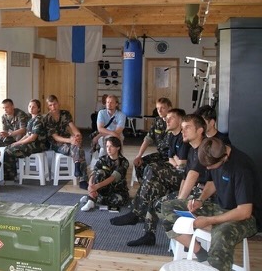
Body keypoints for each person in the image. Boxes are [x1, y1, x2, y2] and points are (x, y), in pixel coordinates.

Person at [161, 137, 262, 271]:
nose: (208, 168)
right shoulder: (212, 153)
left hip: (246, 217)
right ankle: (201, 253)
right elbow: (213, 182)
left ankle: (217, 267)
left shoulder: (241, 168)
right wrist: (200, 200)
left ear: (224, 158)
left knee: (221, 233)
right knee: (168, 207)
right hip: (220, 207)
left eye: (211, 166)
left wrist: (209, 220)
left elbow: (244, 211)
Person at [110, 109, 190, 247]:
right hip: (175, 171)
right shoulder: (171, 136)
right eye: (167, 117)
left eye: (171, 118)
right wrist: (176, 162)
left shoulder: (183, 138)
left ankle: (135, 213)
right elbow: (171, 159)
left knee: (152, 169)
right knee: (154, 187)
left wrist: (176, 162)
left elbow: (182, 166)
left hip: (185, 179)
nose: (166, 120)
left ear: (180, 120)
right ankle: (149, 234)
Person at [43, 95, 88, 189]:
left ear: (58, 103)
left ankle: (77, 168)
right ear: (48, 107)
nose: (53, 107)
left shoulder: (65, 113)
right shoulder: (47, 118)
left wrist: (78, 135)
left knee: (77, 146)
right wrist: (70, 140)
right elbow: (55, 137)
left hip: (67, 140)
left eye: (54, 104)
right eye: (50, 105)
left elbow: (72, 127)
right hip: (55, 143)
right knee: (78, 149)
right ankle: (82, 177)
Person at [3, 99, 48, 181]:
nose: (31, 108)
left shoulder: (39, 119)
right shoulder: (31, 120)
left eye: (34, 107)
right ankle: (11, 176)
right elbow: (27, 135)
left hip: (38, 144)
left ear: (38, 108)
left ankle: (10, 177)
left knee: (8, 151)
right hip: (31, 143)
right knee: (8, 148)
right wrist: (17, 143)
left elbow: (32, 137)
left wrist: (18, 144)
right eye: (30, 106)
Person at [80, 136, 130, 211]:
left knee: (120, 200)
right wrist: (90, 185)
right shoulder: (103, 159)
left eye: (111, 146)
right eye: (107, 146)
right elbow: (94, 173)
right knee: (99, 172)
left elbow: (113, 177)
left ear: (118, 148)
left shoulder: (124, 162)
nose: (108, 149)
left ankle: (92, 198)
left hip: (117, 189)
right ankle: (91, 199)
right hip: (103, 189)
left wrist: (96, 187)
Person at [133, 97, 172, 182]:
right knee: (139, 163)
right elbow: (148, 139)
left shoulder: (175, 122)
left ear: (169, 108)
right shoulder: (157, 121)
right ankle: (144, 186)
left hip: (171, 157)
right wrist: (139, 156)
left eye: (163, 108)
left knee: (152, 168)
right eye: (158, 108)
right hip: (161, 155)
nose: (160, 111)